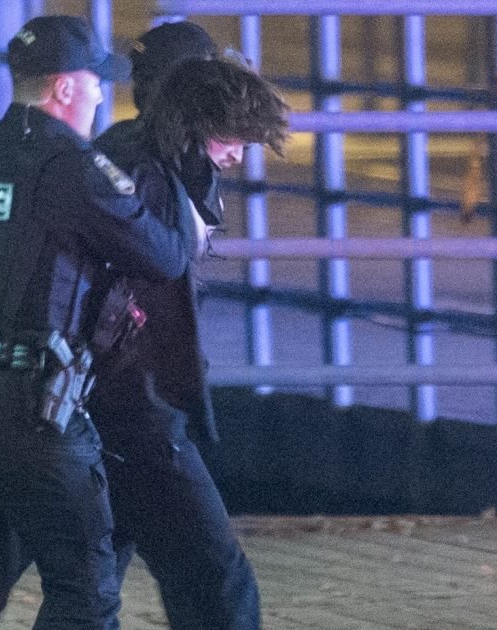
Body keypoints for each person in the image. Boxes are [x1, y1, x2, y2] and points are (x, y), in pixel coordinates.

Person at [0, 15, 203, 630]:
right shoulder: (72, 168)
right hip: (25, 408)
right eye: (94, 84)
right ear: (64, 89)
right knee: (85, 590)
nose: (101, 97)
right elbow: (164, 255)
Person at [89, 36, 291, 629]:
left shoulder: (126, 155)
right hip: (135, 405)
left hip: (108, 401)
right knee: (216, 581)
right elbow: (151, 273)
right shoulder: (148, 171)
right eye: (231, 138)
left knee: (89, 586)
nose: (237, 154)